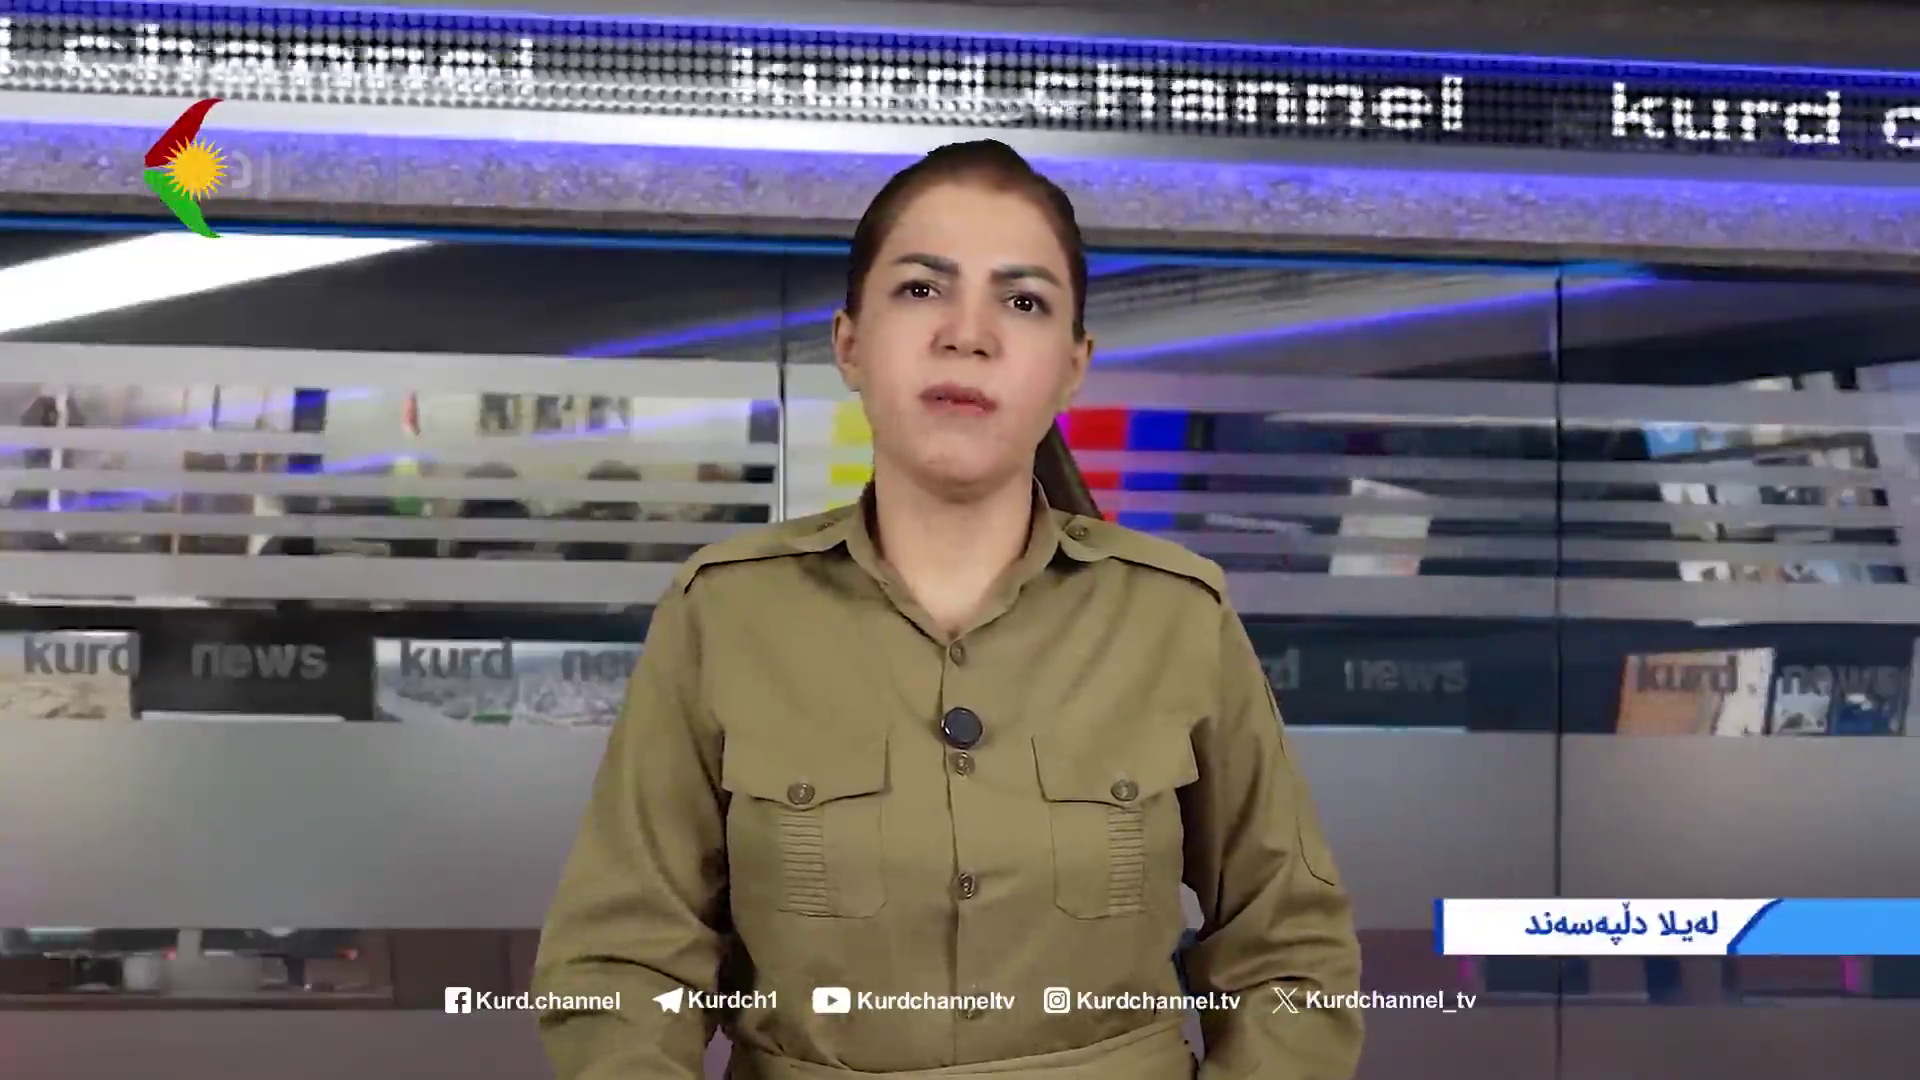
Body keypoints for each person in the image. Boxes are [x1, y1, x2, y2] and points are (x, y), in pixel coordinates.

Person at [531, 139, 1362, 1080]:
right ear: (850, 343)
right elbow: (623, 964)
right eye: (922, 289)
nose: (969, 335)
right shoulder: (724, 613)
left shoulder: (1176, 615)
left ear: (1074, 366)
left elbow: (1289, 948)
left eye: (1023, 301)